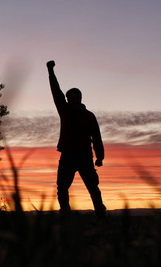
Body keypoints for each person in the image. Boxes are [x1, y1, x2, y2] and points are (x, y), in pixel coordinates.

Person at [46, 60, 106, 219]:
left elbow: (96, 137)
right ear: (67, 99)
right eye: (69, 98)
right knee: (62, 187)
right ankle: (65, 213)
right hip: (67, 156)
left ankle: (100, 213)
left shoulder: (88, 116)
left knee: (93, 187)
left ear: (80, 98)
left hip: (85, 156)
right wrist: (51, 72)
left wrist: (100, 157)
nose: (72, 101)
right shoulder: (64, 110)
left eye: (75, 98)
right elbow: (56, 92)